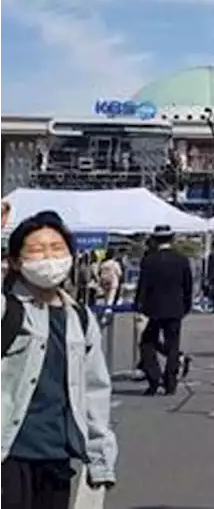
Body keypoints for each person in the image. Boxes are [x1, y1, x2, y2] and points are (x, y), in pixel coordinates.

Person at [0, 211, 117, 508]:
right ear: (15, 261)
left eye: (57, 249)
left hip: (56, 454)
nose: (49, 258)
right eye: (37, 251)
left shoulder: (80, 317)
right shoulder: (8, 310)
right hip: (9, 453)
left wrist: (100, 457)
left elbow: (94, 391)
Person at [136, 224, 194, 396]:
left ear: (155, 239)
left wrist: (140, 304)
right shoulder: (182, 260)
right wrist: (186, 305)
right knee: (173, 344)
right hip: (175, 307)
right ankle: (171, 382)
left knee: (147, 343)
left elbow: (143, 285)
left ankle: (154, 377)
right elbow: (188, 285)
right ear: (172, 239)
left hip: (153, 308)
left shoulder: (149, 260)